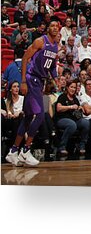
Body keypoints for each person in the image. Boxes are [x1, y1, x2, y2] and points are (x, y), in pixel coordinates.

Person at [5, 20, 60, 167]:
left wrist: (56, 79)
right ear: (48, 28)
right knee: (40, 115)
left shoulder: (55, 46)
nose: (55, 28)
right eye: (52, 26)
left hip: (40, 81)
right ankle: (26, 150)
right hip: (31, 79)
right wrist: (23, 81)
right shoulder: (39, 41)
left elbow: (52, 66)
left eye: (57, 26)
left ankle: (13, 151)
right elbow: (25, 59)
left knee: (28, 117)